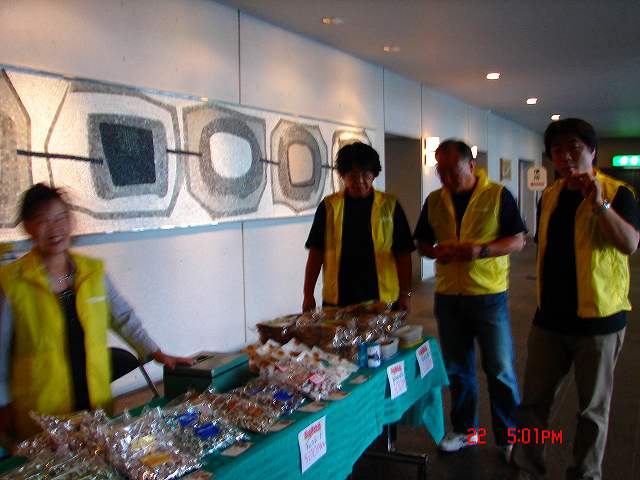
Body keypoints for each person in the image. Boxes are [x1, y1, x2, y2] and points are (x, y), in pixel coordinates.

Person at [0, 184, 194, 444]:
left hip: (94, 402)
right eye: (42, 221)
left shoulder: (92, 272)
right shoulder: (11, 282)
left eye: (60, 217)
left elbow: (122, 317)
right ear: (28, 227)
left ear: (71, 220)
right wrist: (3, 406)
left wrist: (156, 352)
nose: (54, 228)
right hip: (42, 412)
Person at [510, 119, 639, 480]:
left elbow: (629, 244)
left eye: (574, 148)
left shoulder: (618, 193)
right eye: (557, 150)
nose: (565, 157)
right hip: (549, 320)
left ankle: (585, 474)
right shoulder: (550, 195)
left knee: (591, 411)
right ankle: (526, 468)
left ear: (592, 152)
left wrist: (599, 205)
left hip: (599, 322)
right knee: (533, 404)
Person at [414, 139, 526, 455]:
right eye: (441, 171)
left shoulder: (498, 195)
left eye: (453, 170)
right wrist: (438, 252)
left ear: (472, 165)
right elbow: (422, 243)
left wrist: (482, 251)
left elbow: (518, 241)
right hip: (449, 296)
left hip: (488, 295)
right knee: (457, 368)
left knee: (500, 368)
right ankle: (465, 431)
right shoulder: (435, 200)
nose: (446, 177)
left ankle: (509, 436)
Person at [302, 142, 415, 311]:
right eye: (353, 175)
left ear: (374, 175)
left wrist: (405, 294)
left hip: (382, 298)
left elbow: (403, 253)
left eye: (366, 175)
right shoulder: (329, 206)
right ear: (342, 175)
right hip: (338, 299)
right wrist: (308, 294)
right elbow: (316, 253)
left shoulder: (390, 205)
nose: (360, 181)